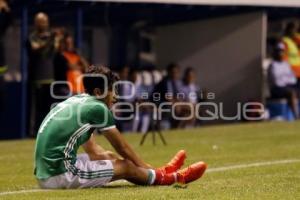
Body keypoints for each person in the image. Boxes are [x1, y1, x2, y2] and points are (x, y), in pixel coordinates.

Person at [34, 65, 207, 189]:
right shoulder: (97, 107)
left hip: (47, 171)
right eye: (112, 91)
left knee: (108, 156)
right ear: (97, 93)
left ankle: (162, 172)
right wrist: (147, 168)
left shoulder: (78, 101)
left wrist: (114, 161)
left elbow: (93, 151)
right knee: (126, 167)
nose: (116, 97)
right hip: (59, 174)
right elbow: (122, 147)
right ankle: (172, 178)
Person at [27, 12, 57, 136]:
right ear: (36, 23)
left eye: (45, 21)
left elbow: (55, 49)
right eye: (41, 21)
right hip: (37, 78)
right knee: (37, 108)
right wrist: (49, 39)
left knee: (49, 108)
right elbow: (35, 48)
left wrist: (54, 39)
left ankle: (48, 132)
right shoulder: (32, 36)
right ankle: (35, 132)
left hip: (50, 78)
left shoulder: (51, 36)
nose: (44, 24)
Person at [268, 43, 299, 119]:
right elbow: (277, 81)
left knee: (295, 90)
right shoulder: (273, 65)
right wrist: (287, 79)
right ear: (275, 53)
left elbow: (293, 79)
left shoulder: (286, 64)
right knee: (291, 93)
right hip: (276, 89)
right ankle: (296, 117)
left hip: (287, 86)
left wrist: (285, 79)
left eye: (282, 51)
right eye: (278, 51)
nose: (280, 53)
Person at [151, 63, 184, 129]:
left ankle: (178, 128)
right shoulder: (165, 82)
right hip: (162, 105)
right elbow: (168, 97)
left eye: (176, 72)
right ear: (168, 72)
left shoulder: (179, 82)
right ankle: (166, 126)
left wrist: (180, 104)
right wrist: (176, 105)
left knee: (189, 109)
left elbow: (180, 96)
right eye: (173, 72)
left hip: (173, 104)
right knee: (170, 108)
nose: (175, 74)